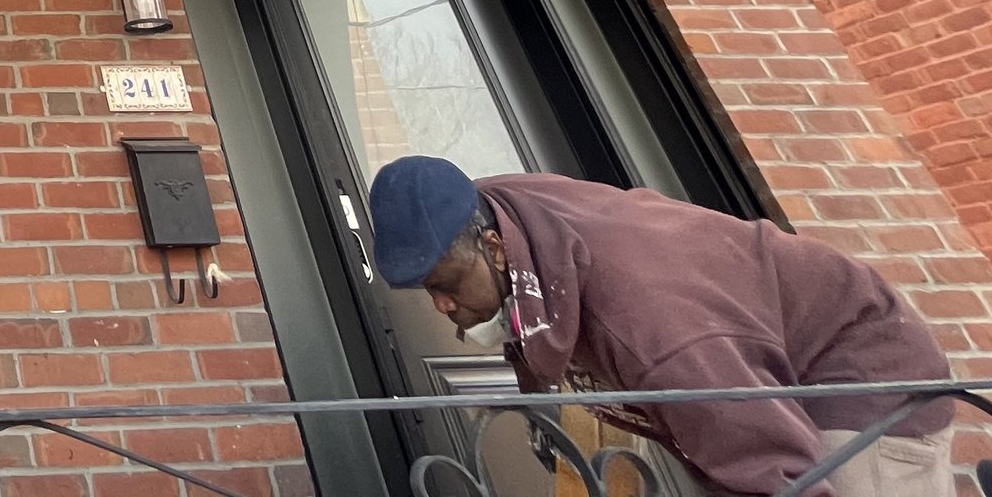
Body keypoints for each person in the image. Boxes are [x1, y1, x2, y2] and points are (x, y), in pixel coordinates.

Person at [367, 157, 955, 497]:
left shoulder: (648, 325)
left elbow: (774, 468)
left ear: (495, 248)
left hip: (855, 379)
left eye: (446, 283)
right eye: (427, 292)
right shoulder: (502, 210)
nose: (441, 306)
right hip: (744, 370)